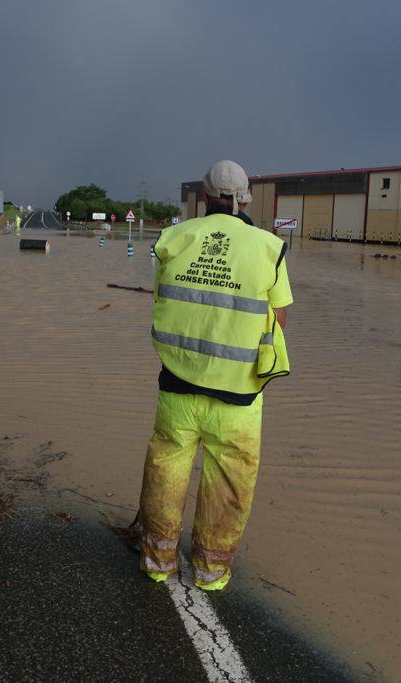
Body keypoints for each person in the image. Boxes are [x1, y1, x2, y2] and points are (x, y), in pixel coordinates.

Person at [134, 160, 292, 591]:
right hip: (238, 399)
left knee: (165, 470)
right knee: (229, 483)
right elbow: (278, 318)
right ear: (246, 198)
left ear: (204, 198)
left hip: (177, 389)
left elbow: (167, 298)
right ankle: (210, 571)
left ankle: (157, 560)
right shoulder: (267, 247)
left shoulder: (174, 239)